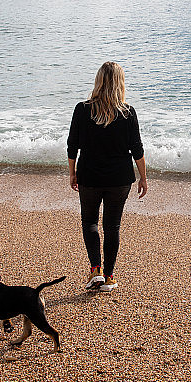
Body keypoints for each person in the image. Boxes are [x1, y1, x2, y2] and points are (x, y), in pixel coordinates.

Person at [67, 62, 147, 292]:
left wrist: (72, 173)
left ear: (98, 80)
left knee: (90, 222)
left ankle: (96, 271)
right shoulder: (128, 112)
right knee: (112, 226)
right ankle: (110, 277)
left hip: (89, 176)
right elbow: (137, 149)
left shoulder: (82, 109)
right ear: (120, 83)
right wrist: (143, 177)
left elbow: (72, 146)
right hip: (119, 179)